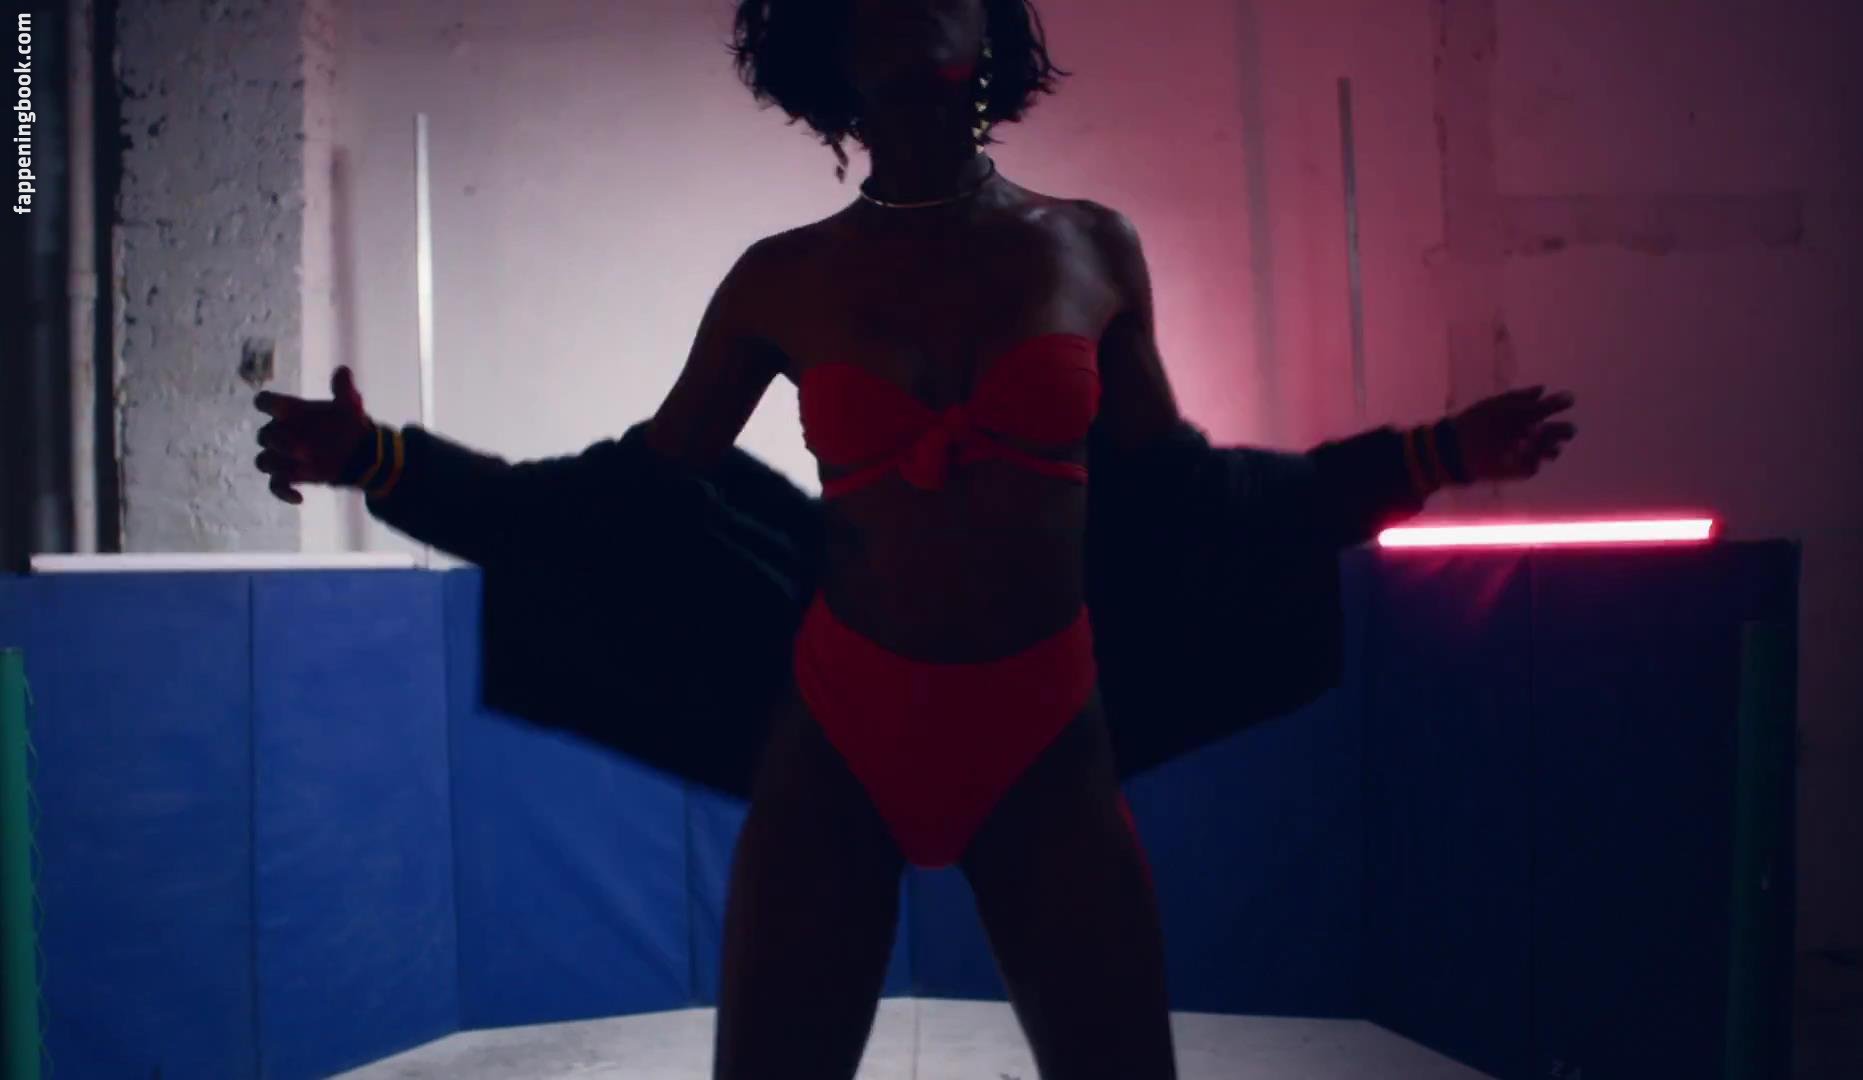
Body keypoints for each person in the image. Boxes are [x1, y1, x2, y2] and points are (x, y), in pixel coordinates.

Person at [253, 2, 1575, 1076]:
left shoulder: (1090, 247)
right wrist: (382, 462)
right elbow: (630, 497)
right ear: (831, 43)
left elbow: (1184, 493)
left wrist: (1431, 456)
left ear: (989, 27)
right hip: (843, 729)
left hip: (1044, 730)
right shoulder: (783, 277)